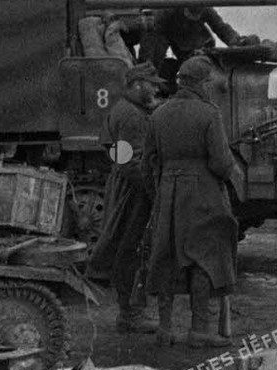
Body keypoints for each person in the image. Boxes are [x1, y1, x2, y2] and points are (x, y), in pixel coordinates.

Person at [143, 55, 244, 348]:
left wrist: (159, 193)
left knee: (166, 256)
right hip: (203, 194)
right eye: (209, 82)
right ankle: (199, 330)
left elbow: (147, 162)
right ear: (200, 83)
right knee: (204, 255)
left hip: (168, 193)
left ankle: (165, 329)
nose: (211, 87)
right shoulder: (209, 114)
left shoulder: (158, 114)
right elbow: (221, 162)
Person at [88, 62, 166, 334]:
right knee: (132, 250)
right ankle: (131, 314)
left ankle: (128, 312)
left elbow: (109, 147)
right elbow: (132, 162)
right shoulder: (133, 116)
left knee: (124, 247)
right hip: (134, 191)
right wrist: (155, 193)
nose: (156, 89)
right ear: (136, 85)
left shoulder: (121, 109)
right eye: (151, 85)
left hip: (123, 185)